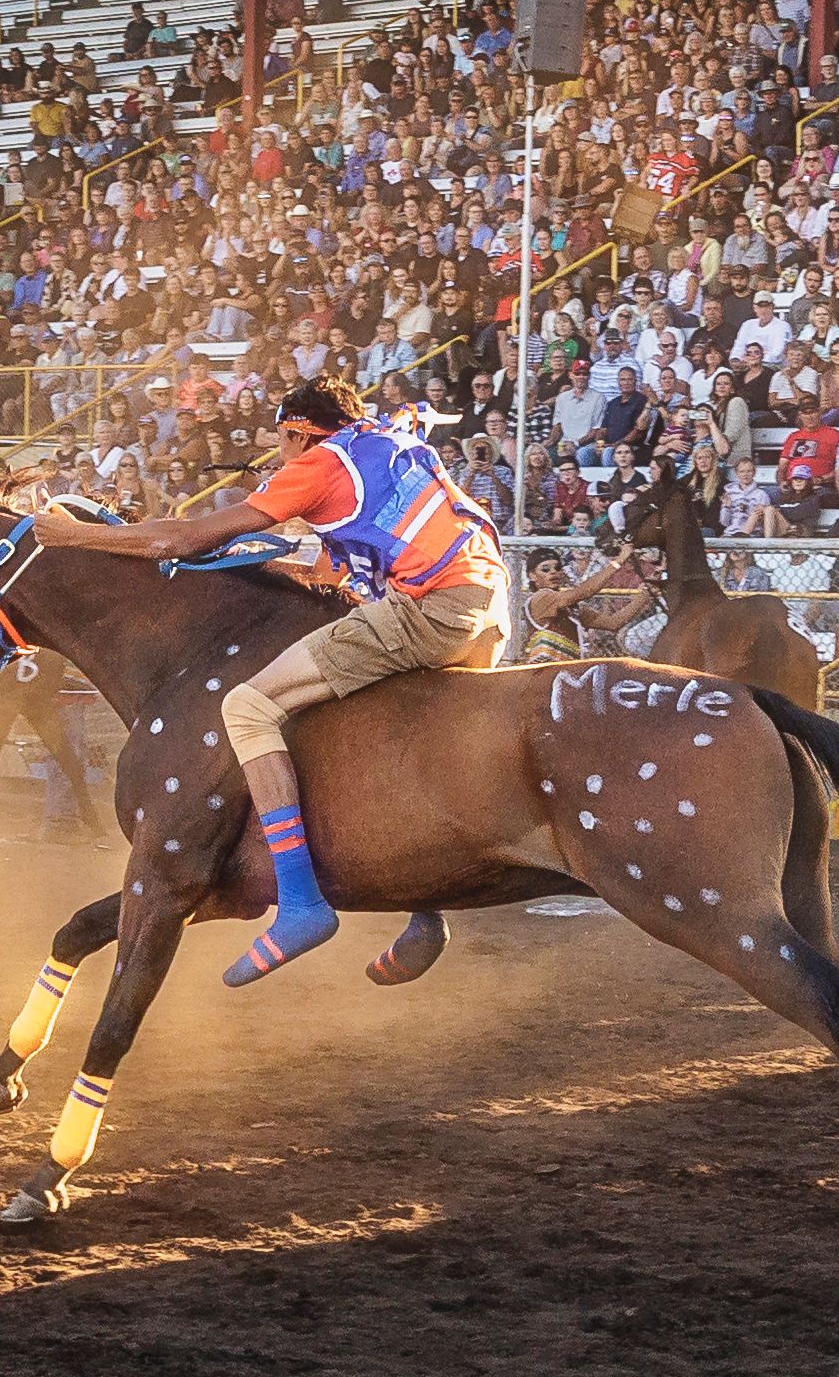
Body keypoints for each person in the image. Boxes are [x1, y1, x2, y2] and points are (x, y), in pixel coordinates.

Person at [31, 375, 510, 981]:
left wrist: (72, 535)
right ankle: (425, 910)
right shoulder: (381, 442)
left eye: (281, 443)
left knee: (248, 707)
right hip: (489, 607)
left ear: (298, 432)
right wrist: (260, 564)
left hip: (433, 608)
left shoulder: (317, 464)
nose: (278, 458)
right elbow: (327, 571)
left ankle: (302, 904)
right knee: (389, 732)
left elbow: (184, 536)